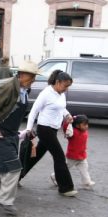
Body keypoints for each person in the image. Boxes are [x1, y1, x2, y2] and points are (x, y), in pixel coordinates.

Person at [0, 60, 40, 216]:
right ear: (22, 74)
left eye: (34, 76)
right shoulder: (8, 87)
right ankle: (5, 201)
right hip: (1, 134)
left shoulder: (24, 89)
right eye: (31, 76)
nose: (33, 79)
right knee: (14, 168)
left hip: (11, 134)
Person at [22, 69, 77, 197]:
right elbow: (34, 112)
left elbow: (61, 107)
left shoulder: (60, 94)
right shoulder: (46, 93)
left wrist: (67, 114)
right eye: (65, 86)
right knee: (59, 156)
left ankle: (16, 176)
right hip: (44, 129)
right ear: (58, 82)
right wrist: (29, 129)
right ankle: (66, 188)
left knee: (35, 156)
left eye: (68, 87)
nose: (66, 89)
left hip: (52, 129)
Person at [50, 115, 95, 189]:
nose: (87, 126)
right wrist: (68, 122)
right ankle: (54, 176)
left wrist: (75, 118)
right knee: (65, 168)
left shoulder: (84, 131)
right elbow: (66, 129)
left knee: (85, 169)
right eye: (84, 125)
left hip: (82, 156)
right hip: (72, 157)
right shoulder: (72, 132)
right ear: (77, 125)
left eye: (87, 124)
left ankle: (87, 182)